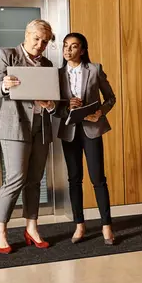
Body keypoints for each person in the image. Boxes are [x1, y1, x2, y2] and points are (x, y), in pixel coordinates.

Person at [0, 19, 57, 254]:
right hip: (15, 127)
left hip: (41, 128)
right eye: (37, 38)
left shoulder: (48, 63)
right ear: (26, 35)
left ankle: (32, 227)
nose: (40, 44)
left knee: (35, 180)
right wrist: (5, 85)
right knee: (16, 179)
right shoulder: (7, 55)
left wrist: (50, 104)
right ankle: (0, 230)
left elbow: (53, 97)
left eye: (45, 41)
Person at [55, 33, 116, 245]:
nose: (68, 50)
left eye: (73, 46)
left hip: (92, 129)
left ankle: (106, 226)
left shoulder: (95, 69)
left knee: (98, 178)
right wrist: (66, 107)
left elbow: (110, 98)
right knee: (74, 179)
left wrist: (100, 112)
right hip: (69, 130)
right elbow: (54, 108)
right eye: (65, 46)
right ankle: (79, 225)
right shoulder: (57, 74)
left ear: (82, 50)